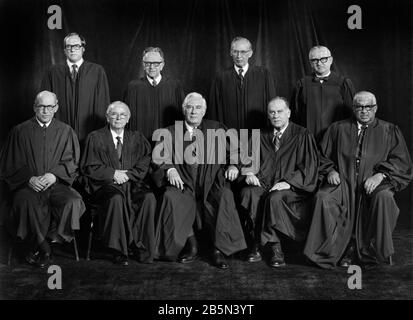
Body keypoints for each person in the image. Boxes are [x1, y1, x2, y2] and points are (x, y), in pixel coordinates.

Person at [304, 91, 413, 269]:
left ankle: (372, 251)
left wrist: (380, 175)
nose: (364, 111)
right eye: (359, 107)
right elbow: (320, 156)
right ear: (354, 109)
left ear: (375, 108)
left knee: (384, 198)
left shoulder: (389, 130)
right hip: (343, 181)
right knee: (323, 198)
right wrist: (330, 171)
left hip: (373, 183)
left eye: (368, 107)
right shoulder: (337, 128)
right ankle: (331, 250)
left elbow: (401, 162)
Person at [152, 92, 247, 269]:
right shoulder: (170, 132)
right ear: (184, 110)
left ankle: (219, 250)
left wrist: (234, 165)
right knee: (170, 197)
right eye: (189, 107)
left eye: (198, 108)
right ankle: (192, 245)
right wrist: (170, 169)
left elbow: (236, 150)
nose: (193, 111)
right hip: (183, 183)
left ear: (204, 111)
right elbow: (159, 157)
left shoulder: (217, 128)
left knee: (224, 196)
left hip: (212, 183)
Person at [0, 91, 85, 268]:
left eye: (50, 106)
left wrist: (54, 175)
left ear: (56, 107)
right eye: (41, 106)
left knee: (73, 201)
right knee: (25, 202)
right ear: (34, 107)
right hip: (28, 186)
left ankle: (45, 242)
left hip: (56, 184)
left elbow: (72, 161)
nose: (46, 111)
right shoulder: (19, 131)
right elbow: (9, 163)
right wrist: (29, 178)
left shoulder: (66, 131)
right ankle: (44, 248)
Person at [239, 97, 319, 267]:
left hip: (290, 187)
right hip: (264, 183)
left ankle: (276, 249)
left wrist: (289, 182)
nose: (275, 115)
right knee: (249, 193)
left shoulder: (302, 134)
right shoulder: (260, 135)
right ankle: (256, 243)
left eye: (279, 111)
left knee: (274, 198)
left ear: (288, 113)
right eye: (272, 112)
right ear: (268, 115)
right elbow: (246, 159)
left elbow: (309, 166)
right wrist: (249, 172)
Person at [80, 101, 156, 266]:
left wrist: (128, 175)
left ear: (128, 119)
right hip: (105, 185)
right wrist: (112, 174)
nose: (118, 117)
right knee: (116, 199)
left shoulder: (137, 138)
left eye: (123, 115)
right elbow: (89, 166)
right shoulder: (96, 137)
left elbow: (145, 161)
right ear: (108, 117)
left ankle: (140, 246)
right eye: (114, 114)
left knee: (148, 198)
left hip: (132, 183)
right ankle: (118, 249)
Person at [40, 32, 110, 143]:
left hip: (89, 132)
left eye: (76, 46)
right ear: (64, 50)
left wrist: (98, 132)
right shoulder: (52, 72)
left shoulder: (97, 71)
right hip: (59, 133)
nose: (72, 49)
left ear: (83, 49)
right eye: (69, 46)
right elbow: (44, 104)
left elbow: (102, 103)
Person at [209, 37, 276, 130]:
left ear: (250, 53)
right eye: (235, 51)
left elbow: (273, 105)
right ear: (230, 53)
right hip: (229, 135)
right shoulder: (220, 78)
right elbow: (214, 111)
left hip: (257, 134)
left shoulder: (263, 75)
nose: (239, 56)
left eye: (243, 52)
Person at [291, 45, 355, 142]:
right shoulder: (302, 84)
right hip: (308, 138)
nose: (319, 63)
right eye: (315, 60)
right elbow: (295, 114)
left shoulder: (343, 83)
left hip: (336, 138)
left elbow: (351, 113)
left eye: (323, 59)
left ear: (331, 60)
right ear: (310, 63)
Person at [124, 47, 185, 139]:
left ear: (162, 65)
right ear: (143, 65)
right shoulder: (133, 87)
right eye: (147, 63)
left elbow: (182, 117)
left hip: (168, 142)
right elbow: (126, 119)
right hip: (140, 142)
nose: (151, 67)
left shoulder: (174, 86)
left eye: (156, 63)